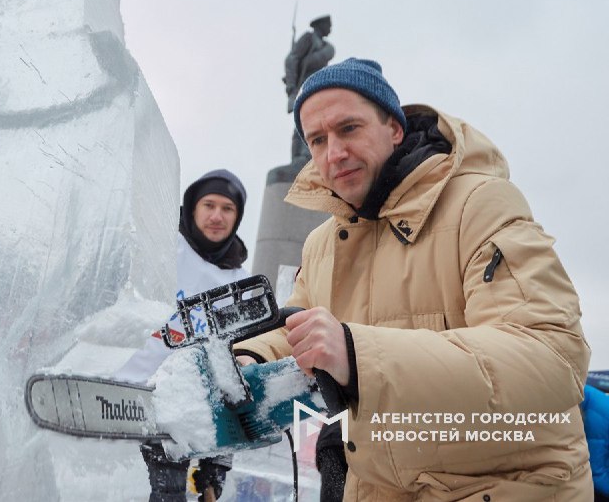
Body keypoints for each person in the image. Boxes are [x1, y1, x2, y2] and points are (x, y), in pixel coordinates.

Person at [235, 58, 593, 499]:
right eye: (317, 140)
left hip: (502, 487)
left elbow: (552, 358)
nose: (334, 153)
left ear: (395, 128)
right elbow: (299, 329)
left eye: (349, 128)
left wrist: (356, 355)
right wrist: (244, 362)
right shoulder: (323, 243)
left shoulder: (480, 203)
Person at [115, 169, 249, 502]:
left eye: (227, 208)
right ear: (192, 208)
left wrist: (218, 459)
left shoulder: (240, 283)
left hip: (176, 421)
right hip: (114, 398)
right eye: (209, 205)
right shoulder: (160, 246)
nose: (217, 216)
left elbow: (233, 370)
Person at [283, 15, 335, 163]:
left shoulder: (325, 45)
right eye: (328, 25)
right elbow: (292, 59)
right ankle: (300, 156)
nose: (330, 28)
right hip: (304, 86)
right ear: (320, 25)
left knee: (317, 118)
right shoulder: (309, 38)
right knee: (304, 119)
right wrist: (291, 84)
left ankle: (308, 153)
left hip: (317, 85)